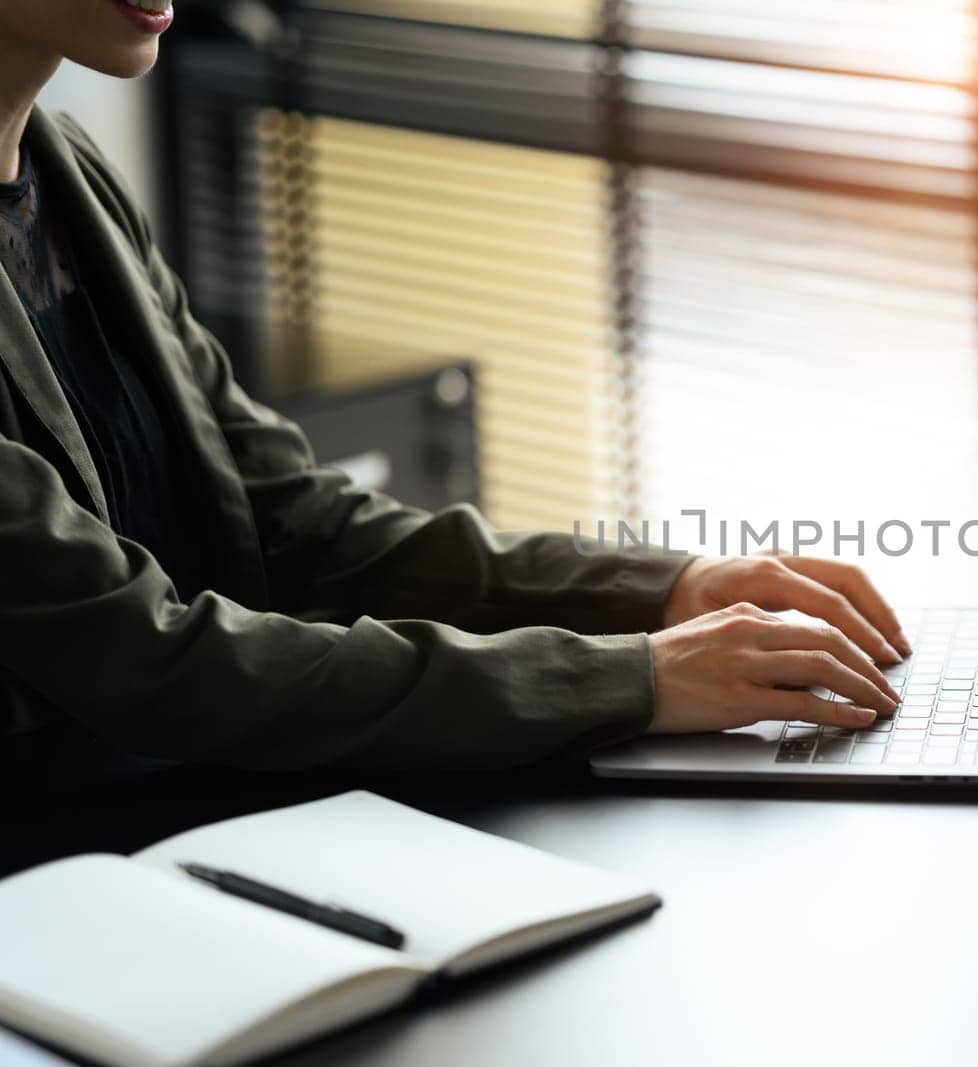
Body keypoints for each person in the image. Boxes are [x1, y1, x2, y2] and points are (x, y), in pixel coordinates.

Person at [0, 0, 910, 775]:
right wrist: (633, 675)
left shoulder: (73, 177)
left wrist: (669, 590)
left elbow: (301, 525)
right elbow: (153, 658)